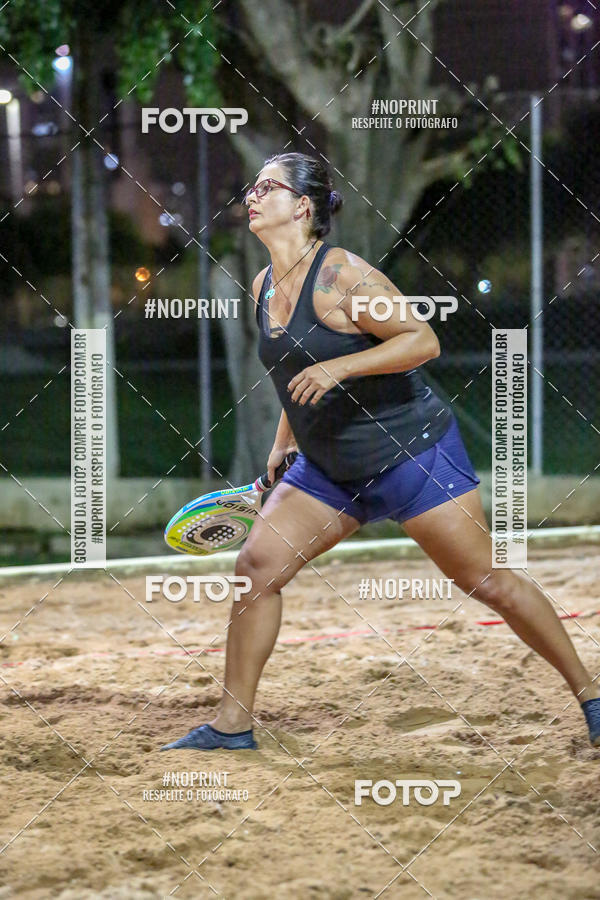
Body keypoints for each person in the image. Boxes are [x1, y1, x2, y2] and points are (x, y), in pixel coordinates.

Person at [161, 152, 600, 752]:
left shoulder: (343, 275)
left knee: (487, 581)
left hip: (410, 457)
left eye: (268, 187)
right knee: (256, 571)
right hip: (327, 471)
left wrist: (341, 367)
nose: (252, 195)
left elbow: (423, 339)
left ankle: (591, 694)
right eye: (253, 186)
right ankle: (232, 725)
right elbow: (294, 372)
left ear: (303, 206)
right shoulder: (263, 285)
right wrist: (284, 441)